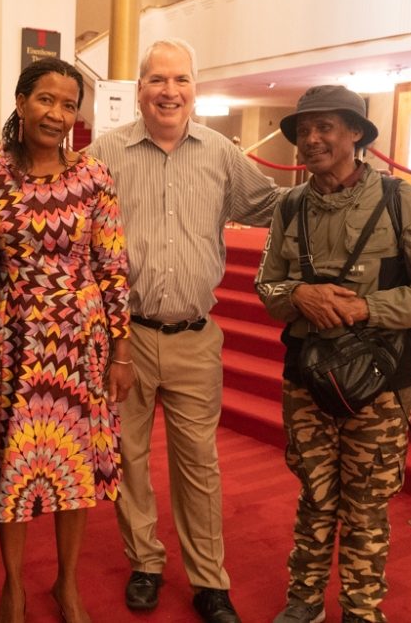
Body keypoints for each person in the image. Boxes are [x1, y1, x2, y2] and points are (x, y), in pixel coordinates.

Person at [84, 38, 283, 623]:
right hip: (125, 339)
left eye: (181, 80)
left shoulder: (220, 153)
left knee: (199, 464)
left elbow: (273, 206)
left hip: (196, 338)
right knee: (128, 457)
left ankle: (208, 581)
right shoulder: (105, 153)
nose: (169, 91)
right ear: (139, 89)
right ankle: (145, 563)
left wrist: (344, 187)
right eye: (157, 80)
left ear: (195, 88)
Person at [254, 85, 411, 623]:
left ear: (356, 134)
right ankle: (304, 601)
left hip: (380, 381)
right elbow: (267, 286)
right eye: (304, 130)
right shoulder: (290, 205)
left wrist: (367, 308)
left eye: (325, 127)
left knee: (366, 503)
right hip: (306, 376)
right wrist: (298, 295)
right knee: (315, 495)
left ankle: (362, 609)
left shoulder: (400, 200)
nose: (312, 139)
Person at [0, 57, 133, 623]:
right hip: (9, 338)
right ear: (20, 102)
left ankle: (67, 584)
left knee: (74, 464)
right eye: (46, 100)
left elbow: (112, 265)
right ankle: (13, 586)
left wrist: (121, 351)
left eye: (68, 105)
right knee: (13, 464)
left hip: (78, 342)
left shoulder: (94, 176)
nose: (57, 114)